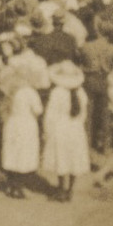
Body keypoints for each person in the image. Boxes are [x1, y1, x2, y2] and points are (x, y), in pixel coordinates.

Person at [41, 60, 92, 201]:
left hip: (60, 127)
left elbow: (50, 115)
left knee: (61, 157)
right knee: (74, 158)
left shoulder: (57, 92)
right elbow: (83, 113)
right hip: (76, 128)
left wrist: (47, 131)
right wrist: (78, 124)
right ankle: (70, 190)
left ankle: (61, 188)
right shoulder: (81, 91)